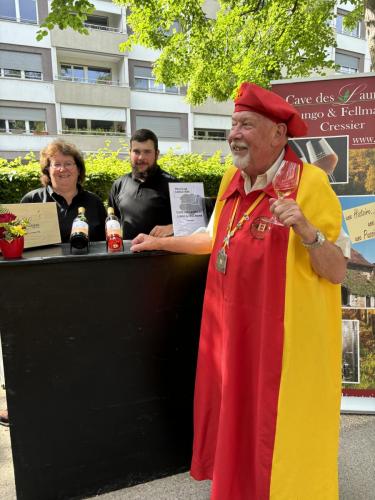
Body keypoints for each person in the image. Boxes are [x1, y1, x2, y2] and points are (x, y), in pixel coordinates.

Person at [130, 83, 348, 499]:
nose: (234, 134)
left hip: (285, 348)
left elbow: (336, 271)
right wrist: (161, 243)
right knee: (240, 431)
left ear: (278, 134)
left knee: (278, 440)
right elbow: (214, 239)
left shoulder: (311, 185)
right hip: (233, 337)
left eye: (246, 124)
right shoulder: (233, 177)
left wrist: (306, 230)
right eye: (232, 125)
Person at [21, 139, 106, 243]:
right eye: (57, 164)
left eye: (68, 163)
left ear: (79, 170)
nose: (62, 169)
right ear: (48, 169)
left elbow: (106, 243)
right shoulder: (32, 200)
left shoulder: (95, 202)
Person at [108, 128, 176, 240]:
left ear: (157, 154)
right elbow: (112, 223)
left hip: (161, 256)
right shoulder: (118, 185)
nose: (141, 158)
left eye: (147, 152)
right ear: (130, 153)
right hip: (126, 255)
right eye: (136, 151)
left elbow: (191, 226)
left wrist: (173, 227)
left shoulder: (173, 185)